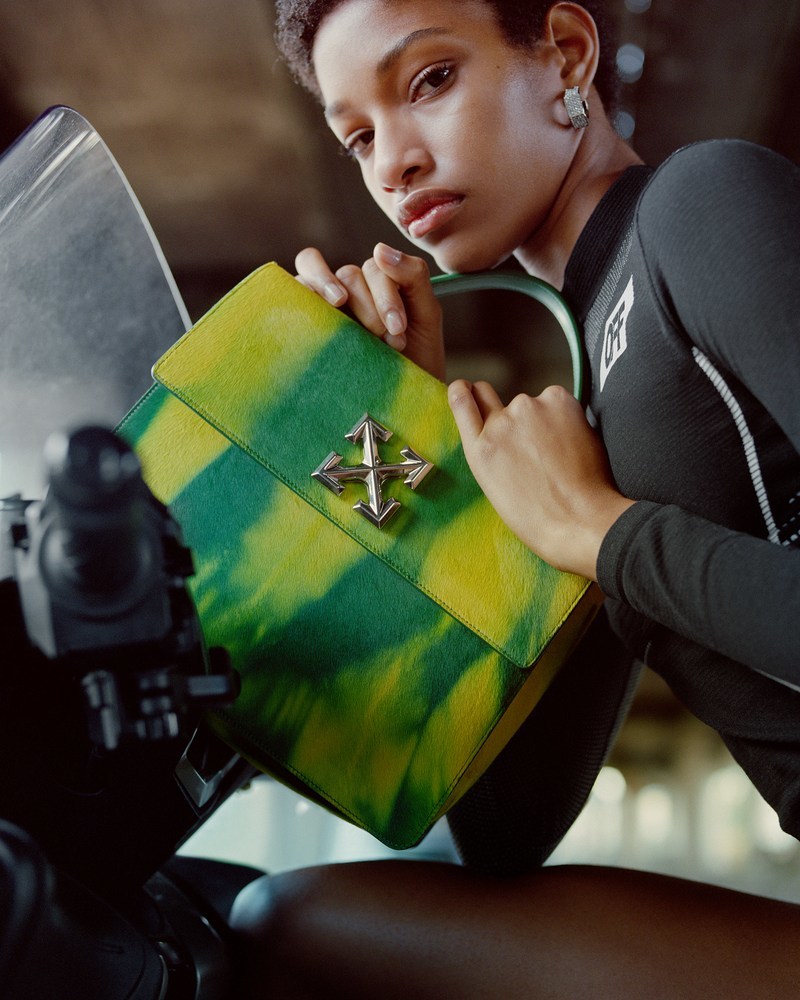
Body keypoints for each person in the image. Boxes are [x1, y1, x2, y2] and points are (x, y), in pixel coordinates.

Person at [230, 1, 800, 995]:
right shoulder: (572, 415)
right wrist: (413, 448)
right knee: (285, 917)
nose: (391, 162)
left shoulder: (701, 202)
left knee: (291, 924)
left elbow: (615, 537)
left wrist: (605, 535)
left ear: (565, 55)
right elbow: (503, 831)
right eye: (357, 135)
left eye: (429, 82)